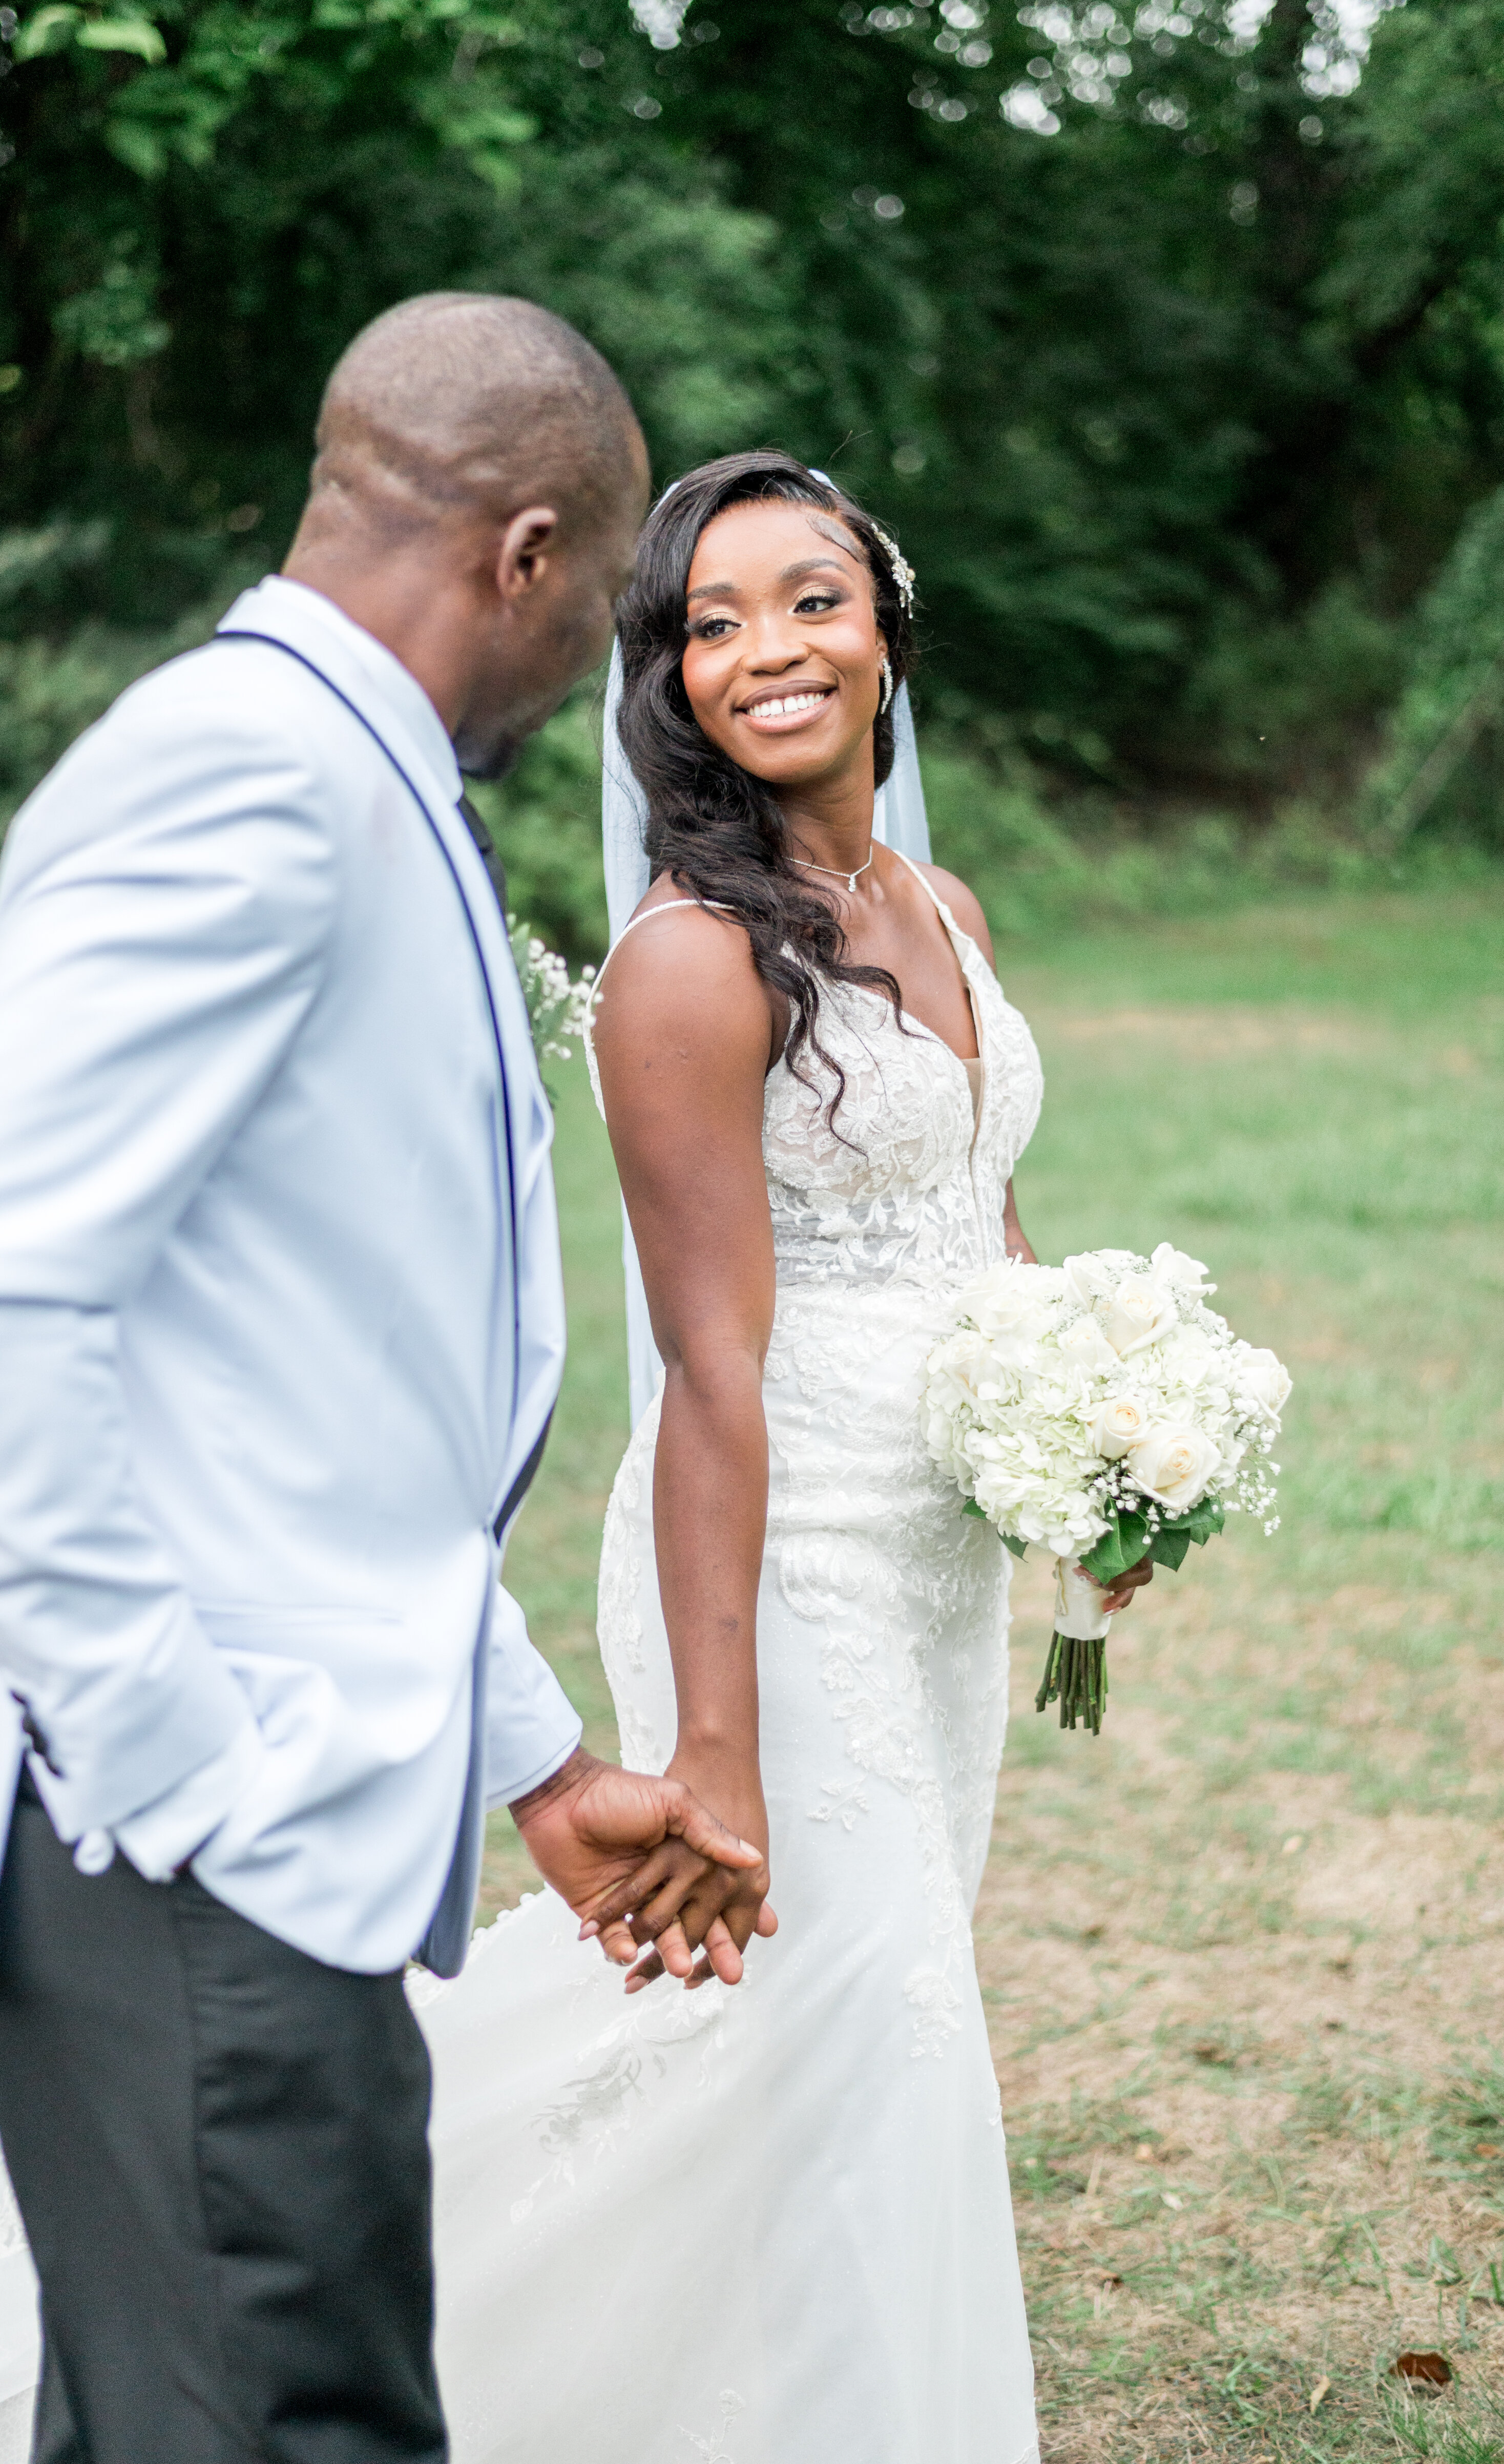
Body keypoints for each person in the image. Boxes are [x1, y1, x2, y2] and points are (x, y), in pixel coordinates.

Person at [0, 299, 772, 2464]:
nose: (611, 674)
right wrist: (182, 1774)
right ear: (528, 554)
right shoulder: (248, 768)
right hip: (187, 1839)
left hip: (270, 1818)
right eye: (616, 607)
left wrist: (535, 1766)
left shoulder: (359, 780)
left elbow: (311, 1400)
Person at [411, 451, 1153, 2463]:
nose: (765, 650)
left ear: (886, 627)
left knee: (796, 2051)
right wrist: (712, 1741)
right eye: (709, 621)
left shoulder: (936, 902)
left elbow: (976, 1210)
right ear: (666, 679)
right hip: (782, 1563)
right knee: (868, 2037)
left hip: (938, 1561)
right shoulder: (685, 962)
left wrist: (1095, 1444)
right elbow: (708, 1373)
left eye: (807, 598)